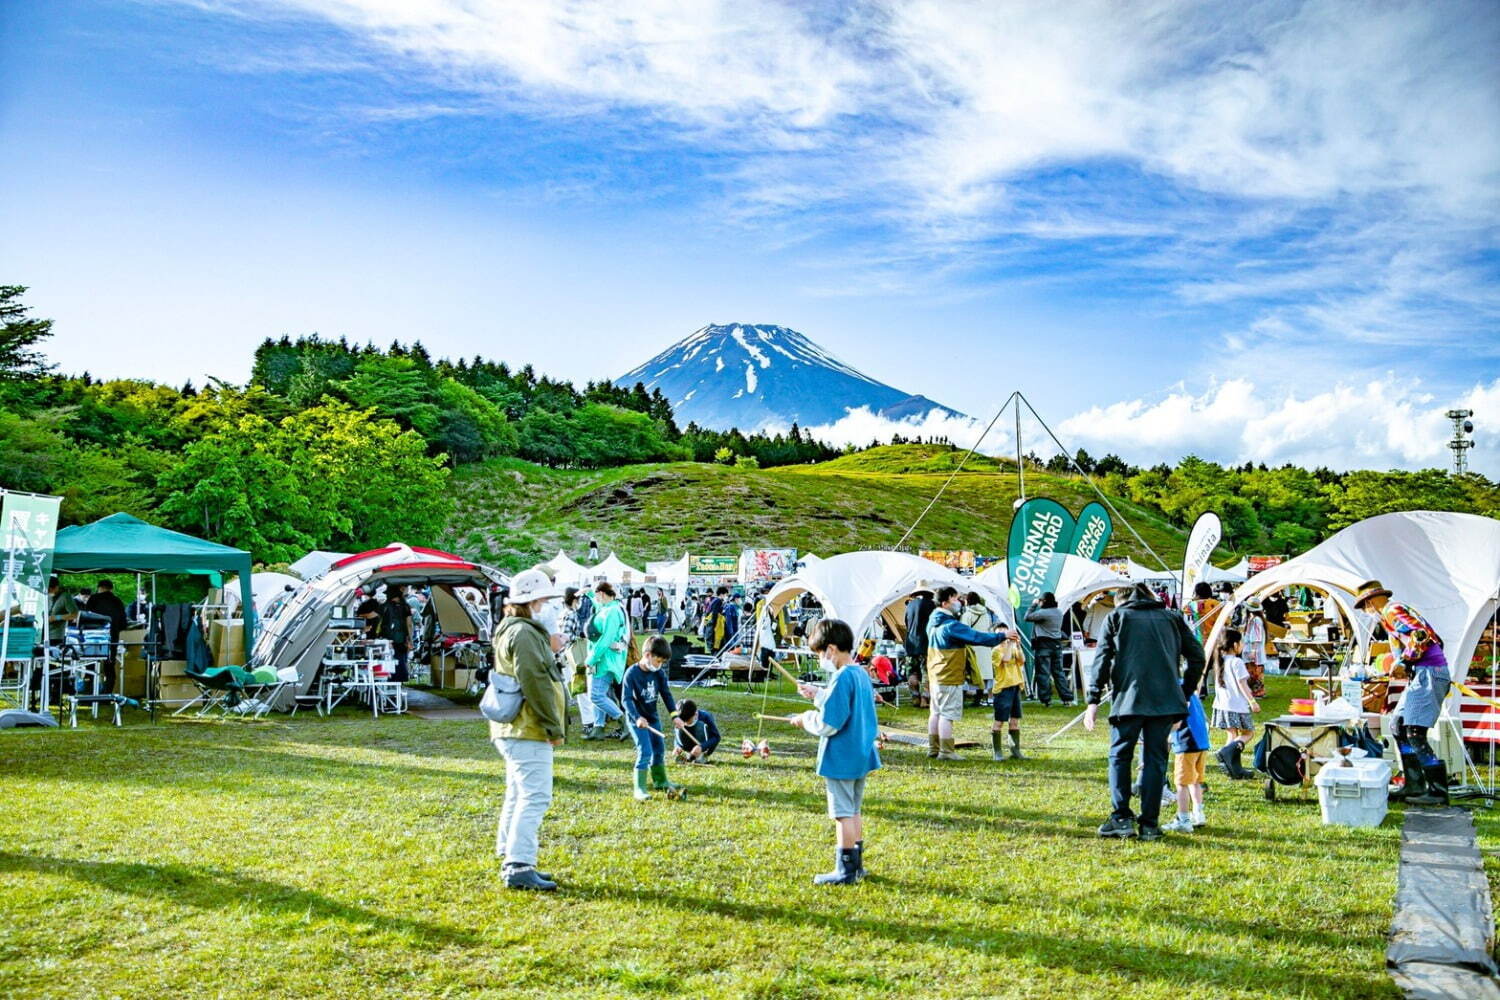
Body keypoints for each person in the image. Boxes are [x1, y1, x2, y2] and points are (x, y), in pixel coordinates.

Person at [1084, 583, 1207, 841]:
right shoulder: (1171, 617)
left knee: (1120, 756)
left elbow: (1102, 658)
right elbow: (1197, 656)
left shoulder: (1116, 617)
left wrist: (1093, 700)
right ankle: (1149, 824)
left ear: (1122, 601)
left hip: (1129, 699)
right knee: (1155, 760)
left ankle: (1121, 817)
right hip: (1165, 701)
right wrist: (1184, 694)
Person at [488, 569, 567, 891]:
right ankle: (519, 865)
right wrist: (552, 725)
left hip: (514, 727)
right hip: (527, 727)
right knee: (535, 796)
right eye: (545, 599)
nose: (547, 605)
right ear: (533, 600)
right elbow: (535, 681)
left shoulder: (514, 629)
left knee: (518, 793)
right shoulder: (524, 633)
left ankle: (509, 851)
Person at [789, 618, 880, 886]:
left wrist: (805, 719)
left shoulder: (842, 678)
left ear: (830, 649)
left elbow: (829, 723)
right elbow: (844, 704)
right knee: (853, 810)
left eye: (819, 653)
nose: (820, 659)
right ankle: (858, 866)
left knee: (842, 813)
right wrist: (818, 694)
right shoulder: (860, 673)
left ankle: (845, 870)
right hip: (860, 753)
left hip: (842, 756)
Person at [1354, 579, 1452, 806]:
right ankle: (1415, 783)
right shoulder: (1390, 617)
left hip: (1429, 672)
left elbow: (1420, 635)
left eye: (1364, 607)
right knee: (1398, 725)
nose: (1366, 612)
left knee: (1414, 731)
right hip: (1422, 672)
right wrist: (1403, 663)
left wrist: (1405, 660)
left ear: (1371, 602)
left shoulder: (1393, 610)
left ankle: (1438, 791)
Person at [926, 586, 1008, 760]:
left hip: (935, 674)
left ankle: (933, 749)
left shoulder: (932, 622)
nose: (959, 602)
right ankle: (947, 752)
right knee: (947, 715)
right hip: (949, 675)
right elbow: (977, 637)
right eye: (955, 599)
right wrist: (1002, 636)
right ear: (945, 602)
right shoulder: (950, 625)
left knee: (935, 713)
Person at [622, 636, 684, 801]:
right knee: (645, 751)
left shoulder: (659, 674)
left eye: (663, 662)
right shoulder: (631, 674)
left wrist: (674, 716)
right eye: (658, 660)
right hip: (638, 720)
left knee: (659, 749)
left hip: (652, 717)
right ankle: (639, 788)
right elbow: (626, 699)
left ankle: (660, 781)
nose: (660, 665)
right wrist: (637, 718)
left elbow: (666, 695)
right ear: (648, 655)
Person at [1210, 628, 1259, 780]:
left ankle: (1233, 768)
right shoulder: (1237, 662)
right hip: (1236, 705)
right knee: (1248, 733)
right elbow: (1242, 685)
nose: (1243, 644)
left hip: (1222, 705)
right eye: (1242, 641)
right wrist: (1252, 701)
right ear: (1235, 644)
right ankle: (1225, 752)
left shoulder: (1220, 660)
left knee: (1232, 734)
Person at [583, 581, 627, 741]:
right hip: (602, 658)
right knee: (597, 693)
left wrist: (591, 658)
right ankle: (598, 727)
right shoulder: (607, 607)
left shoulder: (613, 611)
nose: (596, 598)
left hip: (605, 659)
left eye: (596, 595)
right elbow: (597, 604)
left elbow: (606, 638)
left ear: (601, 593)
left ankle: (623, 720)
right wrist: (588, 593)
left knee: (595, 695)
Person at [1163, 690, 1211, 833]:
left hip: (1187, 742)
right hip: (1201, 742)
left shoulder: (1173, 690)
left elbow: (1173, 723)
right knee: (1194, 780)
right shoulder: (1189, 689)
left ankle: (1183, 820)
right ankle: (1198, 814)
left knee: (1181, 783)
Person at [1025, 592, 1072, 706]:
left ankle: (1046, 700)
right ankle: (1066, 699)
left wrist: (1033, 605)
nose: (1039, 602)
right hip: (1056, 645)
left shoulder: (1043, 613)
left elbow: (1027, 617)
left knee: (1043, 674)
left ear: (1044, 601)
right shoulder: (1059, 612)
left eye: (1040, 600)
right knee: (1059, 673)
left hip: (1043, 645)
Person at [86, 579, 128, 693]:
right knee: (109, 666)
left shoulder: (93, 599)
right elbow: (123, 623)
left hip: (93, 637)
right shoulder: (117, 601)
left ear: (99, 587)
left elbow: (86, 617)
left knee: (90, 664)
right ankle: (107, 693)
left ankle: (89, 692)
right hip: (112, 637)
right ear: (111, 589)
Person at [990, 634, 1027, 761]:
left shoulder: (1013, 647)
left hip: (1015, 686)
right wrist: (1010, 644)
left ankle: (1015, 751)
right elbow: (1005, 660)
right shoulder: (995, 650)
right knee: (999, 721)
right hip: (1002, 689)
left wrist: (1018, 645)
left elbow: (1022, 660)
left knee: (1015, 721)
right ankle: (997, 753)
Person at [961, 593, 996, 703]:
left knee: (973, 671)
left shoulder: (967, 615)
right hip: (985, 645)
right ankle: (981, 696)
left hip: (973, 646)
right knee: (984, 672)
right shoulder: (986, 614)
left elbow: (964, 631)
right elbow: (989, 629)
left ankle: (973, 697)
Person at [903, 590, 936, 705]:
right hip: (926, 643)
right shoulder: (932, 605)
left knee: (912, 672)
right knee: (927, 672)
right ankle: (925, 699)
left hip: (911, 644)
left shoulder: (909, 605)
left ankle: (915, 697)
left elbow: (906, 623)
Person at [380, 584, 414, 683]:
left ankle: (389, 680)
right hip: (401, 638)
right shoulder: (406, 606)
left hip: (387, 638)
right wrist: (410, 639)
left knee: (388, 660)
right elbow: (409, 624)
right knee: (401, 659)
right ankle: (399, 683)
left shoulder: (385, 606)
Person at [673, 698, 721, 763]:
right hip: (687, 746)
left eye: (688, 721)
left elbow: (717, 737)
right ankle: (687, 754)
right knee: (679, 726)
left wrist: (702, 747)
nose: (685, 723)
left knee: (699, 727)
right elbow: (677, 735)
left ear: (695, 714)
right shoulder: (680, 717)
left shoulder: (705, 717)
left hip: (702, 745)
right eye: (683, 721)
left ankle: (702, 755)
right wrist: (677, 746)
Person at [1240, 598, 1270, 693]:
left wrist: (1253, 651)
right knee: (1251, 671)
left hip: (1254, 650)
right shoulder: (1253, 619)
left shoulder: (1256, 620)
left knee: (1255, 671)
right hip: (1250, 649)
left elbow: (1256, 637)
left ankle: (1258, 691)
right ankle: (1254, 690)